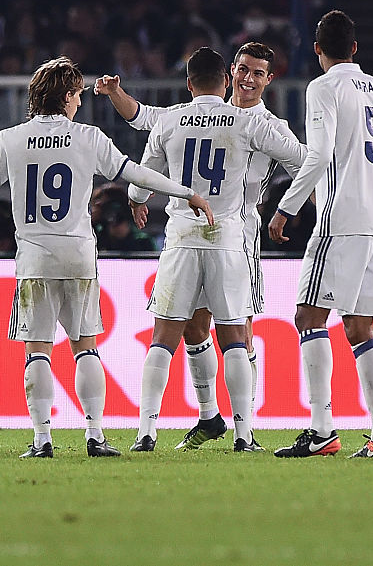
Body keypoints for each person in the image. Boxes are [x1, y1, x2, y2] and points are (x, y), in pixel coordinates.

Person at [0, 57, 214, 459]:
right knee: (85, 349)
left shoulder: (11, 139)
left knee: (37, 350)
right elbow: (137, 175)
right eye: (76, 95)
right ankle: (95, 435)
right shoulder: (88, 137)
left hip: (35, 260)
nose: (78, 103)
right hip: (77, 257)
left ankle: (42, 440)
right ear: (67, 96)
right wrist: (185, 192)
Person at [95, 41, 300, 451]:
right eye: (242, 71)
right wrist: (292, 206)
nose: (247, 79)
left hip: (184, 238)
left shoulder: (172, 119)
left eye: (258, 73)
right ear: (227, 80)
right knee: (233, 338)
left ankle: (146, 432)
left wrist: (136, 201)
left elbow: (141, 173)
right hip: (227, 238)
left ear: (188, 84)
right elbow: (304, 159)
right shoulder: (246, 123)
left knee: (162, 337)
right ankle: (241, 434)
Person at [268, 10, 373, 459]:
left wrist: (285, 208)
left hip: (341, 223)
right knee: (359, 327)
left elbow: (316, 155)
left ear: (317, 51)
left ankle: (321, 431)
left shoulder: (324, 87)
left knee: (309, 319)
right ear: (355, 48)